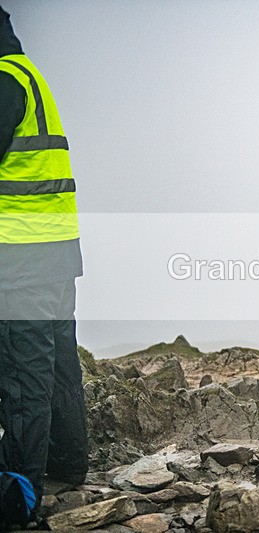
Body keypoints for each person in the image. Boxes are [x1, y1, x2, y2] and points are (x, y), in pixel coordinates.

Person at [0, 6, 88, 526]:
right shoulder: (29, 77)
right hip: (55, 251)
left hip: (21, 257)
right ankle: (68, 463)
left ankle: (18, 495)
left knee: (22, 373)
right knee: (56, 363)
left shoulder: (5, 81)